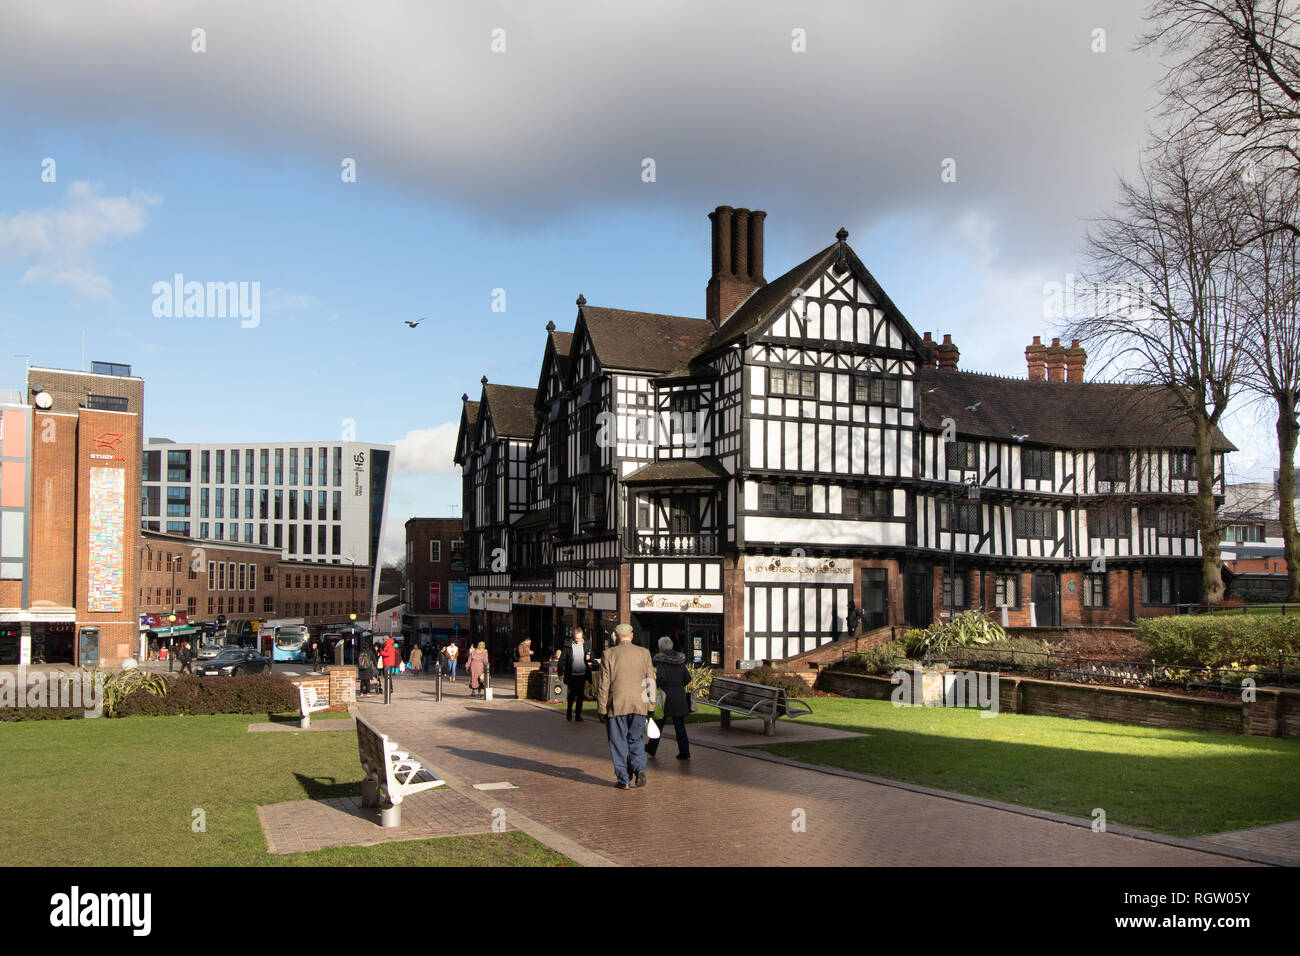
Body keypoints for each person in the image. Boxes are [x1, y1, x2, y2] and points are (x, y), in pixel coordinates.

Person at [596, 623, 656, 790]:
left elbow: (603, 685)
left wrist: (601, 709)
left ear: (616, 637)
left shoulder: (608, 654)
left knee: (618, 741)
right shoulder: (644, 653)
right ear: (631, 635)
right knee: (636, 739)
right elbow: (650, 680)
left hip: (617, 705)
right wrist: (651, 706)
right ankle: (640, 768)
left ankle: (624, 779)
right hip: (639, 705)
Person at [645, 636, 691, 761]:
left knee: (658, 724)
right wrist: (678, 685)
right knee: (680, 725)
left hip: (665, 697)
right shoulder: (680, 661)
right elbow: (687, 678)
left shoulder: (661, 662)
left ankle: (651, 748)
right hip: (679, 695)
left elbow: (662, 678)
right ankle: (684, 751)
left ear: (660, 647)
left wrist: (658, 686)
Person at [561, 627, 592, 722]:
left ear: (582, 636)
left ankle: (578, 715)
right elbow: (563, 659)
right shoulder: (568, 646)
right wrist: (559, 672)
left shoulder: (586, 644)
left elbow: (591, 654)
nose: (577, 640)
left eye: (579, 638)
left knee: (580, 696)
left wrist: (589, 656)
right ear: (573, 636)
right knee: (571, 695)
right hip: (572, 674)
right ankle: (569, 713)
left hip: (582, 674)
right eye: (576, 638)